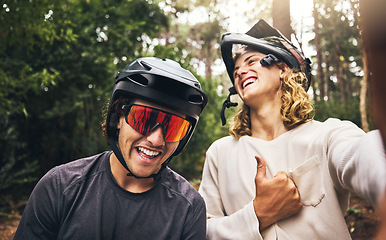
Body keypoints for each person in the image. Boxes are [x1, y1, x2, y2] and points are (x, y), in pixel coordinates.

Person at [198, 19, 386, 239]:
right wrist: (258, 214)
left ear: (282, 69)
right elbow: (202, 230)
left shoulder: (326, 135)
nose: (240, 72)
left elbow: (364, 152)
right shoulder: (219, 153)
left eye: (251, 62)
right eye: (237, 69)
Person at [14, 57, 208, 239]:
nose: (156, 140)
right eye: (144, 118)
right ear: (117, 119)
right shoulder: (60, 187)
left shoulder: (189, 209)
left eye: (173, 128)